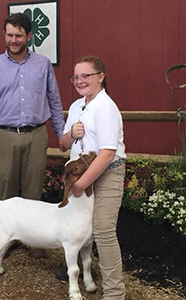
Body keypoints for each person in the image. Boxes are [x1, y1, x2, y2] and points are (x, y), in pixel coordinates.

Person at [0, 13, 65, 257]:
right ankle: (6, 242)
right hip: (4, 135)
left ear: (28, 36)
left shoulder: (42, 65)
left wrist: (61, 132)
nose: (13, 39)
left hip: (36, 134)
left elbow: (53, 99)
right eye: (9, 34)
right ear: (5, 35)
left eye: (18, 35)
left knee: (33, 190)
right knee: (7, 190)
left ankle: (35, 243)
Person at [59, 55, 126, 300]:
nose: (79, 81)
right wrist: (72, 134)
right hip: (78, 170)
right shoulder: (77, 106)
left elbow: (107, 153)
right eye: (75, 77)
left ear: (101, 77)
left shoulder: (106, 108)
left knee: (103, 230)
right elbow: (62, 144)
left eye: (85, 76)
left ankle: (114, 293)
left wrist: (81, 185)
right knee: (75, 223)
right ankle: (75, 268)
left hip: (105, 173)